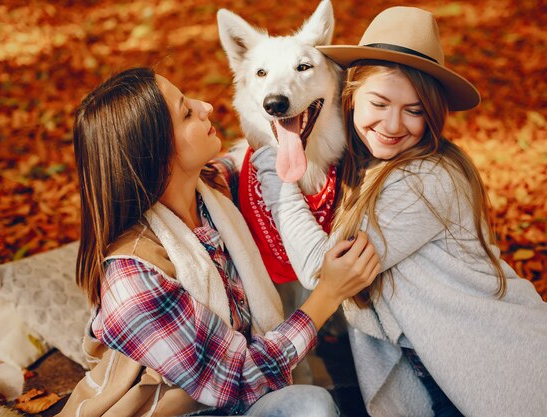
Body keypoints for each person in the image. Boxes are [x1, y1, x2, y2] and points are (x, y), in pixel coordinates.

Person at [251, 6, 547, 417]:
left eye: (414, 110)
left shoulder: (426, 178)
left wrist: (276, 170)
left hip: (520, 374)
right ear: (350, 94)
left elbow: (319, 268)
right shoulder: (362, 168)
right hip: (444, 378)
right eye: (379, 102)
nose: (393, 124)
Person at [58, 67, 381, 417]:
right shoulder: (133, 279)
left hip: (236, 404)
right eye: (186, 112)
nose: (206, 106)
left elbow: (255, 155)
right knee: (309, 407)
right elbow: (239, 378)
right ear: (154, 152)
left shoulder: (212, 192)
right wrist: (328, 294)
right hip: (184, 410)